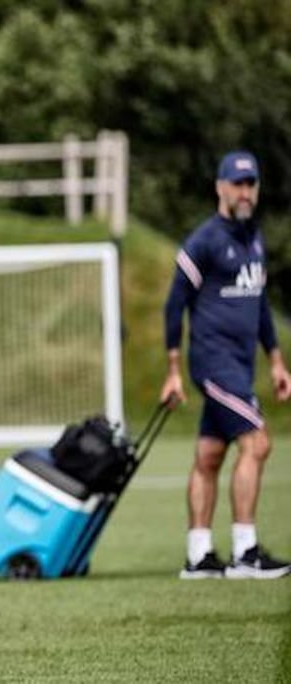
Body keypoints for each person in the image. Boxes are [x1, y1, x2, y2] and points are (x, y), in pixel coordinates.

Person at [162, 150, 291, 580]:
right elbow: (173, 305)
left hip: (240, 363)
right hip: (212, 363)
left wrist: (275, 361)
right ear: (219, 187)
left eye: (250, 183)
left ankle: (199, 557)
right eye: (237, 184)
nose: (244, 191)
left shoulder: (253, 239)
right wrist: (174, 370)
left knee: (210, 454)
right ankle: (245, 552)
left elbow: (259, 310)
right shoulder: (204, 240)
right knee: (257, 443)